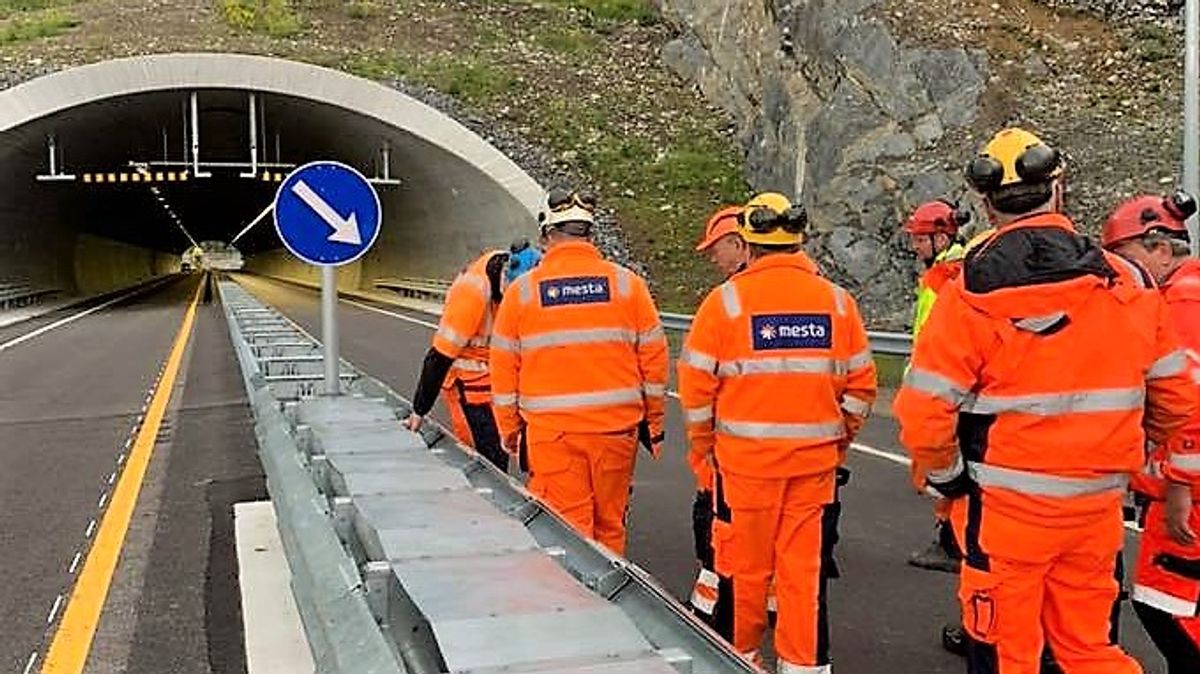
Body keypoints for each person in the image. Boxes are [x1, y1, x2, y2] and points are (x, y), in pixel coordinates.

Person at [893, 126, 1198, 674]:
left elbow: (924, 413)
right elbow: (1176, 400)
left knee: (1007, 654)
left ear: (987, 205)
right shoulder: (1127, 281)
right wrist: (1114, 445)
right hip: (1096, 510)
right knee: (1089, 650)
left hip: (1003, 516)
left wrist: (948, 479)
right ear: (1058, 188)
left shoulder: (968, 290)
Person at [678, 191, 877, 671]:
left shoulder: (724, 304)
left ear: (747, 244)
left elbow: (696, 391)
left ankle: (742, 659)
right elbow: (861, 389)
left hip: (744, 471)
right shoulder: (838, 303)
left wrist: (707, 449)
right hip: (814, 470)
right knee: (801, 579)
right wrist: (837, 442)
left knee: (744, 574)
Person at [488, 187, 669, 555]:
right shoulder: (628, 286)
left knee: (568, 537)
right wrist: (652, 424)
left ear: (546, 236)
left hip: (553, 436)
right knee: (610, 528)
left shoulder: (522, 293)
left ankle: (574, 594)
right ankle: (614, 589)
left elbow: (504, 370)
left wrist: (509, 430)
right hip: (616, 432)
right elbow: (654, 362)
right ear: (590, 234)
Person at [1101, 191, 1200, 673]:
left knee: (1169, 610)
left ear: (1160, 248)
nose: (1121, 271)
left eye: (1125, 256)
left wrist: (1180, 483)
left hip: (1188, 496)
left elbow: (1190, 402)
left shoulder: (1181, 301)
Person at [404, 240, 542, 471]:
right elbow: (439, 357)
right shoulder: (472, 292)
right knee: (486, 459)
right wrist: (419, 411)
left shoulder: (523, 283)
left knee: (504, 450)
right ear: (505, 276)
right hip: (467, 385)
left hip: (499, 380)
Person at [902, 199, 970, 574]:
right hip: (950, 379)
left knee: (946, 466)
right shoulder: (959, 269)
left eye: (920, 239)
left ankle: (952, 543)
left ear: (941, 238)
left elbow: (934, 335)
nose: (915, 246)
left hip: (943, 382)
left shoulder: (946, 276)